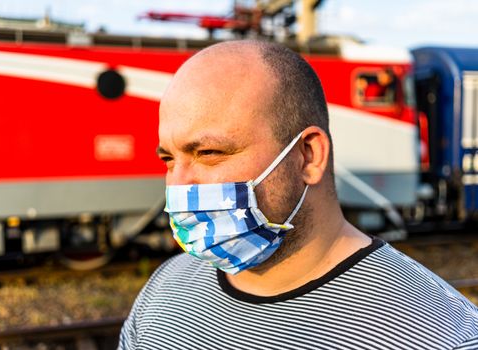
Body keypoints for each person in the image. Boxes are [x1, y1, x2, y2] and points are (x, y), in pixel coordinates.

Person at [119, 40, 478, 349]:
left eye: (209, 153)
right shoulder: (163, 291)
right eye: (168, 159)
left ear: (309, 156)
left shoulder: (442, 335)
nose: (179, 185)